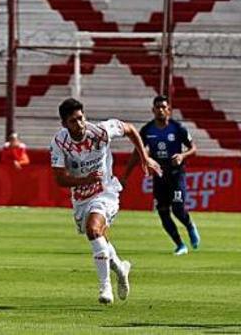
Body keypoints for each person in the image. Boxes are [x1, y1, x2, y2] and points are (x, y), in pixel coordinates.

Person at [49, 97, 161, 304]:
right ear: (64, 124)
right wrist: (85, 179)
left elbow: (130, 129)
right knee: (99, 238)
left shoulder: (100, 131)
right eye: (73, 121)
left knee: (93, 230)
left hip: (105, 191)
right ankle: (121, 268)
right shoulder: (59, 142)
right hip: (81, 196)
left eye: (81, 118)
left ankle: (105, 288)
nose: (80, 124)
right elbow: (59, 179)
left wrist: (144, 159)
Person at [124, 95, 200, 255]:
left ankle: (190, 225)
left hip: (176, 175)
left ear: (169, 110)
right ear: (153, 110)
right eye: (157, 107)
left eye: (163, 107)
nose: (160, 110)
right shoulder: (147, 130)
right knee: (163, 211)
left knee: (178, 209)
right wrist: (125, 175)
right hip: (159, 176)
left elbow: (193, 148)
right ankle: (180, 245)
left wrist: (182, 156)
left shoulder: (178, 128)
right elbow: (136, 152)